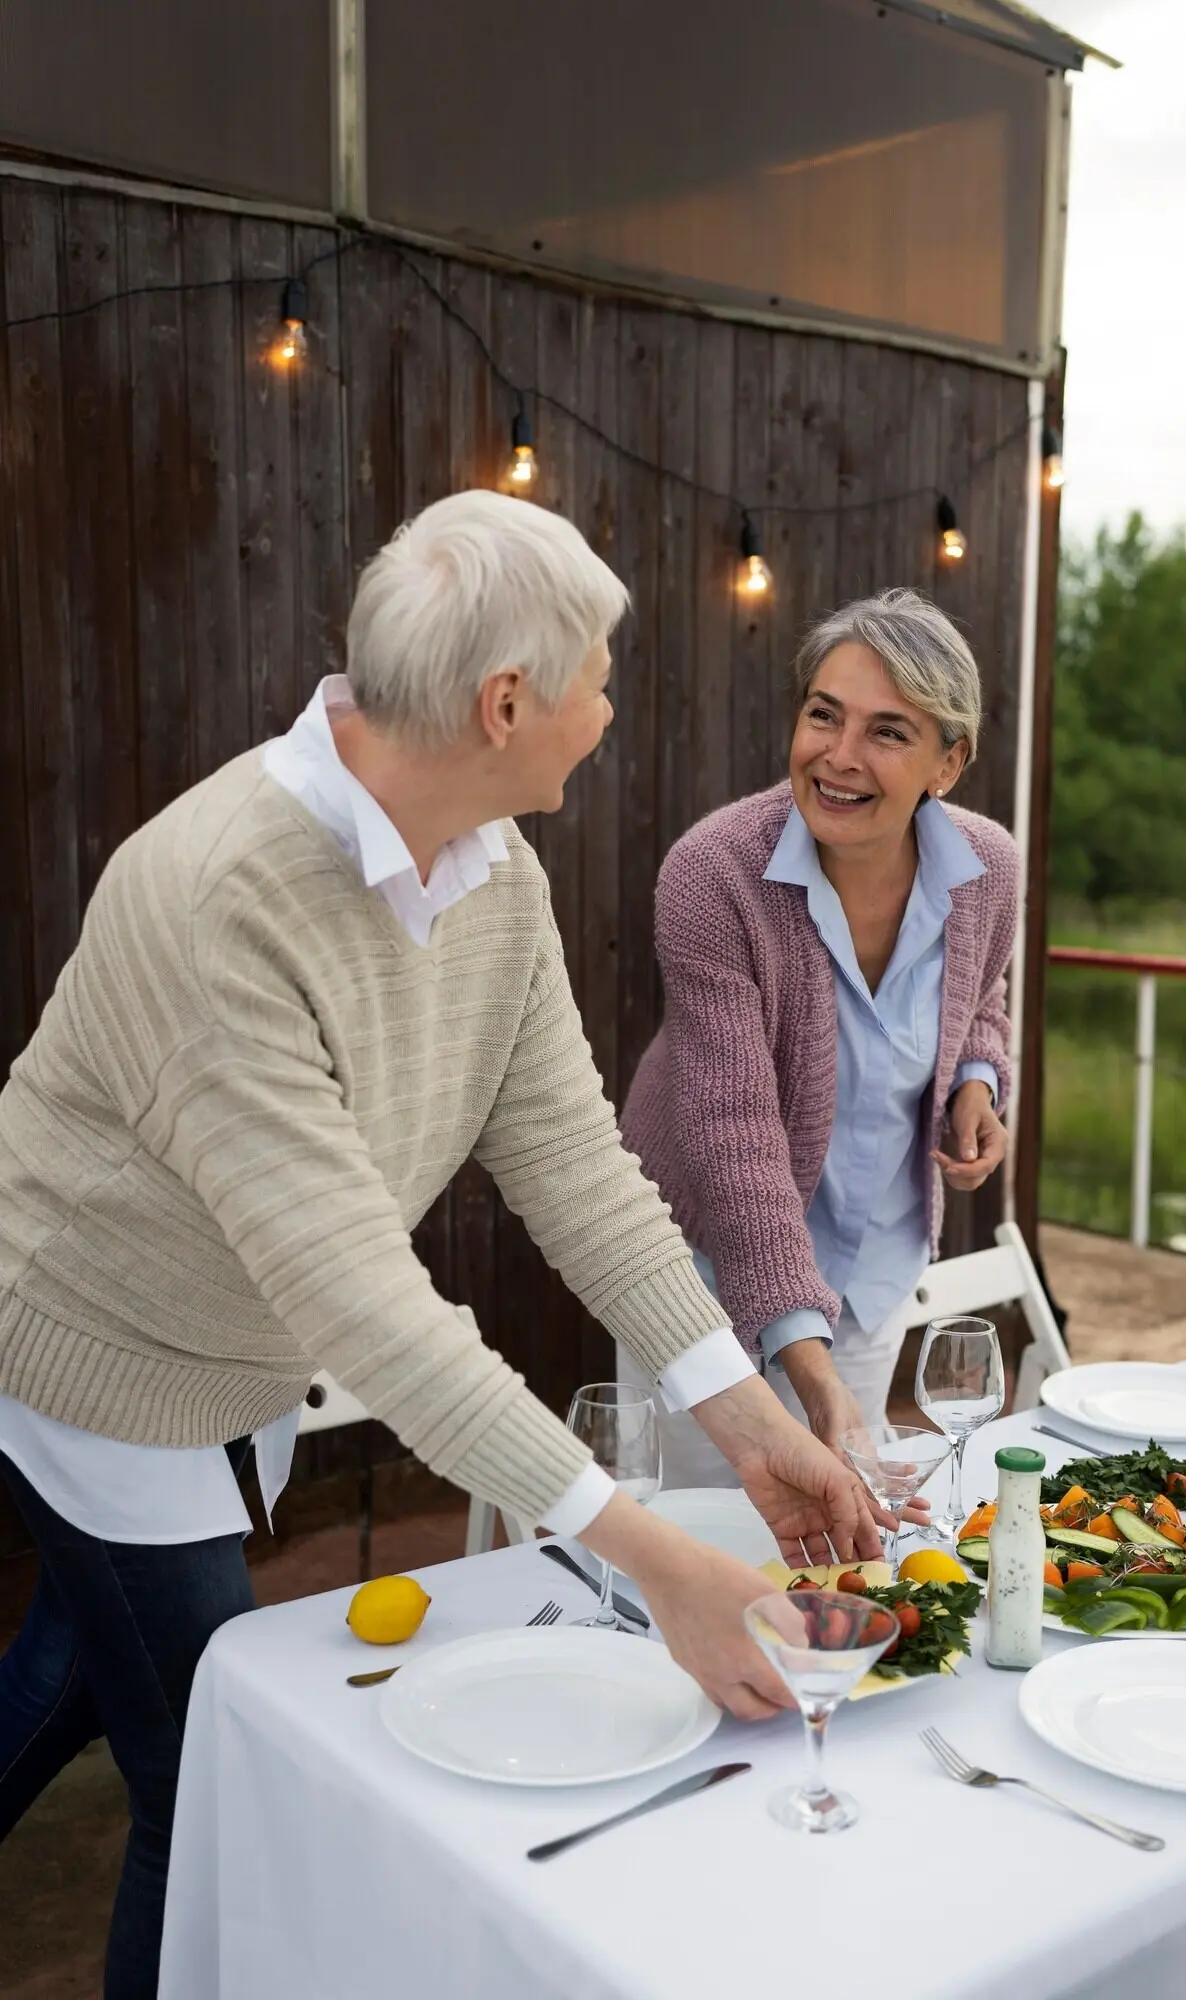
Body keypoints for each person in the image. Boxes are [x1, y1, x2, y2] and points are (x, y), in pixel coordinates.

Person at [0, 493, 883, 1998]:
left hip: (233, 1353)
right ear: (504, 704)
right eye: (600, 677)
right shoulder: (218, 894)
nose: (610, 710)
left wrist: (735, 1413)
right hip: (102, 1356)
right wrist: (655, 1558)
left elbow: (576, 1167)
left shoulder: (491, 866)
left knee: (77, 1671)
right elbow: (370, 1305)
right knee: (197, 1771)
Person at [619, 587, 1019, 1484]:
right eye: (822, 716)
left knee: (833, 1548)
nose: (838, 758)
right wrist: (807, 1366)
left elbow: (979, 1000)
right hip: (699, 1264)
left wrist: (977, 1082)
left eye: (887, 732)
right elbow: (733, 1138)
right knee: (710, 1538)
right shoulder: (712, 874)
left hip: (871, 1258)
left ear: (946, 764)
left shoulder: (987, 869)